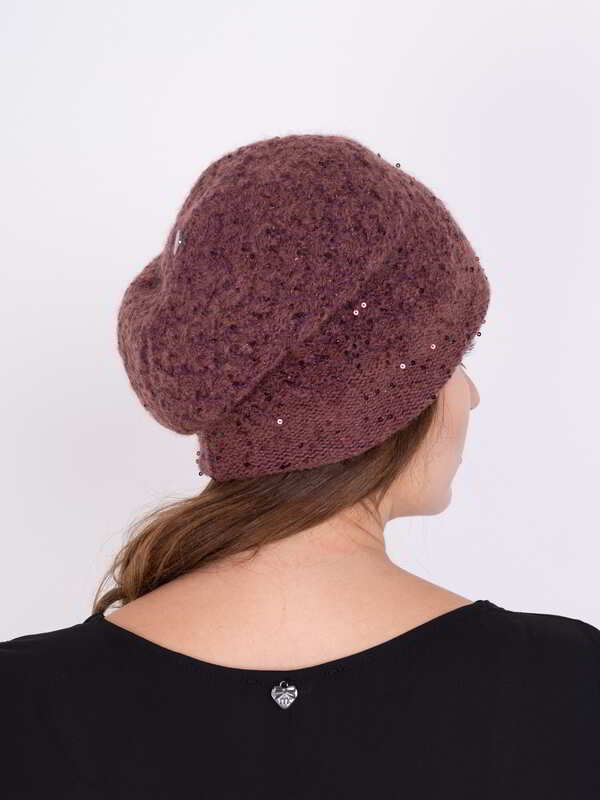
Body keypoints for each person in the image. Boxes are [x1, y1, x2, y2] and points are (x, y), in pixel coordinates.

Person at [2, 134, 599, 798]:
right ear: (384, 397)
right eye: (453, 358)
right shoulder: (566, 687)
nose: (472, 395)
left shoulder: (23, 702)